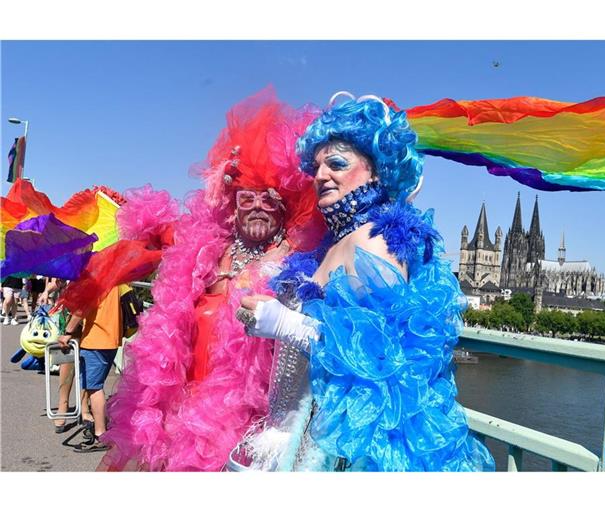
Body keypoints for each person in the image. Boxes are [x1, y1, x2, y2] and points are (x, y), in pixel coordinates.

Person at [234, 94, 494, 471]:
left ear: (376, 171)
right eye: (317, 166)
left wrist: (284, 324)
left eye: (337, 164)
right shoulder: (338, 240)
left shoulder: (378, 241)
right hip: (309, 429)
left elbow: (384, 360)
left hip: (344, 449)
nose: (321, 175)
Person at [96, 90, 326, 471]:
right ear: (231, 206)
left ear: (285, 209)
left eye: (269, 199)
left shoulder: (291, 262)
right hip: (175, 404)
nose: (256, 206)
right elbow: (148, 235)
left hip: (240, 417)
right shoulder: (203, 249)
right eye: (246, 198)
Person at [57, 285, 123, 452]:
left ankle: (100, 434)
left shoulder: (97, 282)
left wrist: (68, 331)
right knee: (95, 385)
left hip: (95, 340)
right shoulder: (114, 281)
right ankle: (100, 429)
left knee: (94, 388)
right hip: (111, 339)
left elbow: (81, 310)